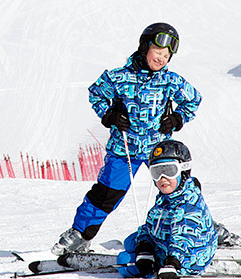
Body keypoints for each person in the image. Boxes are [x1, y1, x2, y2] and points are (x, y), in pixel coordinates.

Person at [51, 22, 202, 256]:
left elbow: (193, 100)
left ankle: (200, 228)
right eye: (157, 52)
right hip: (124, 149)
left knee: (178, 188)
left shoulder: (171, 81)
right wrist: (109, 114)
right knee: (106, 194)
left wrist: (177, 119)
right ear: (144, 47)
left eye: (166, 55)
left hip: (159, 150)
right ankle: (80, 235)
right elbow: (96, 94)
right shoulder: (117, 77)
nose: (161, 58)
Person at [116, 140, 216, 279]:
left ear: (183, 171)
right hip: (167, 243)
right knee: (131, 241)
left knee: (124, 261)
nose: (163, 178)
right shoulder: (165, 199)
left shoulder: (187, 205)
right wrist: (145, 248)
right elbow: (150, 225)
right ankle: (149, 252)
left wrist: (172, 263)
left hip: (185, 259)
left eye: (169, 171)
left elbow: (183, 237)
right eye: (157, 172)